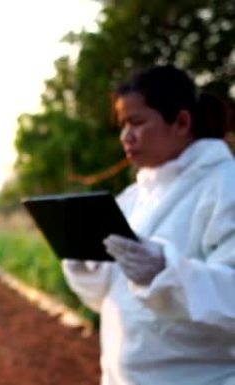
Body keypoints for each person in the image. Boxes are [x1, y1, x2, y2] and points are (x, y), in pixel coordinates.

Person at [62, 64, 235, 385]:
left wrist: (167, 273)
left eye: (137, 122)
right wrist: (88, 270)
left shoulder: (226, 186)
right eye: (122, 124)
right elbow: (115, 301)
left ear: (181, 122)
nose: (126, 136)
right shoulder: (133, 197)